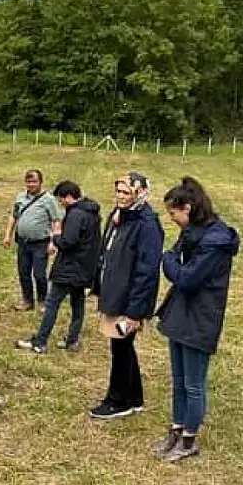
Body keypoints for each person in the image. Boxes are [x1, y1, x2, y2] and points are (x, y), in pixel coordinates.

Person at [152, 177, 240, 462]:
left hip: (200, 318)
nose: (171, 219)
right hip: (181, 313)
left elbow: (188, 279)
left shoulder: (215, 241)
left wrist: (167, 262)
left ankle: (189, 439)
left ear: (187, 208)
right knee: (178, 380)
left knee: (193, 383)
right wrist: (172, 260)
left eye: (173, 213)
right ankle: (177, 429)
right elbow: (176, 259)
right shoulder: (192, 232)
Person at [89, 172, 164, 420]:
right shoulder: (120, 215)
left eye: (126, 192)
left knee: (121, 347)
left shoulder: (147, 225)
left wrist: (135, 311)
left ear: (140, 193)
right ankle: (134, 397)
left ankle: (117, 400)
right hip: (114, 292)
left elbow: (146, 271)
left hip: (128, 298)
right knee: (122, 346)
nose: (120, 197)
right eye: (118, 191)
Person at [15, 181, 101, 354]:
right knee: (78, 303)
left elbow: (69, 240)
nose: (60, 203)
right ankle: (72, 340)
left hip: (69, 268)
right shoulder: (91, 212)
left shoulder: (76, 214)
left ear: (69, 196)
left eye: (61, 199)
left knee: (52, 303)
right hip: (84, 268)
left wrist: (55, 238)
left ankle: (40, 342)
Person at [3, 169, 62, 311]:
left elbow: (56, 221)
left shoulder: (48, 199)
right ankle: (27, 300)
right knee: (23, 273)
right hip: (23, 243)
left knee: (39, 274)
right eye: (28, 182)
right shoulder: (20, 197)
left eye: (34, 181)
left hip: (40, 243)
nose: (31, 185)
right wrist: (7, 235)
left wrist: (53, 241)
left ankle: (42, 301)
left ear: (41, 182)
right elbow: (14, 216)